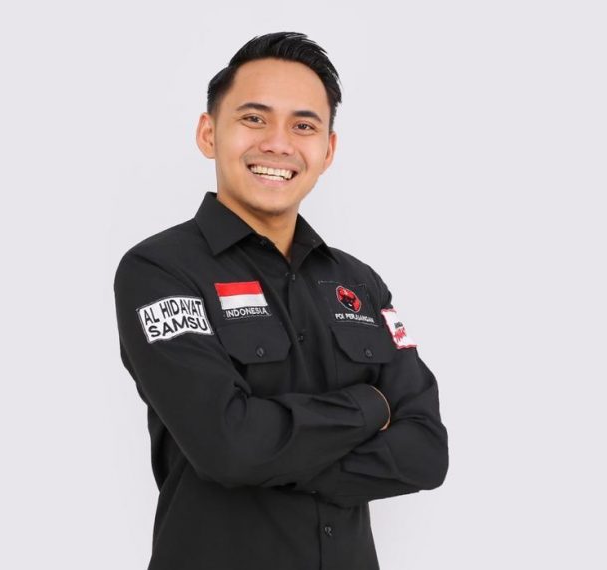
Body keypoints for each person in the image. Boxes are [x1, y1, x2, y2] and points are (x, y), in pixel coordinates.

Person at [114, 31, 448, 570]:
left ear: (327, 150)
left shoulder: (360, 284)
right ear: (208, 133)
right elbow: (228, 445)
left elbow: (427, 452)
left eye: (303, 125)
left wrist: (272, 459)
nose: (278, 143)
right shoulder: (160, 272)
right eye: (254, 118)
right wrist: (371, 407)